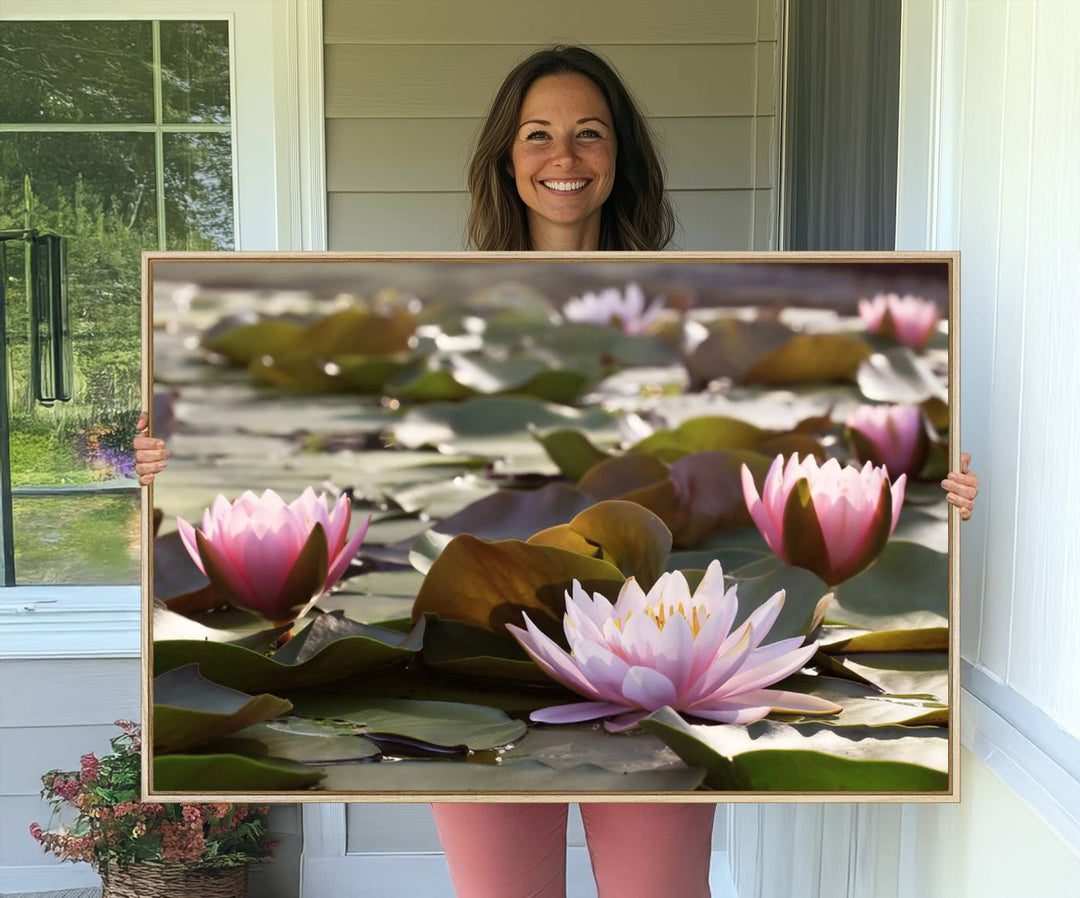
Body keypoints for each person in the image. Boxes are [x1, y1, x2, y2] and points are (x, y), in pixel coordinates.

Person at [134, 45, 979, 898]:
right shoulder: (437, 324)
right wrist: (168, 469)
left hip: (660, 654)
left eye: (589, 134)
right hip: (481, 648)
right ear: (507, 158)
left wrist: (934, 498)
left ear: (620, 159)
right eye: (538, 135)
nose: (563, 157)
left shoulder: (696, 330)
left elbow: (778, 460)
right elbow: (344, 469)